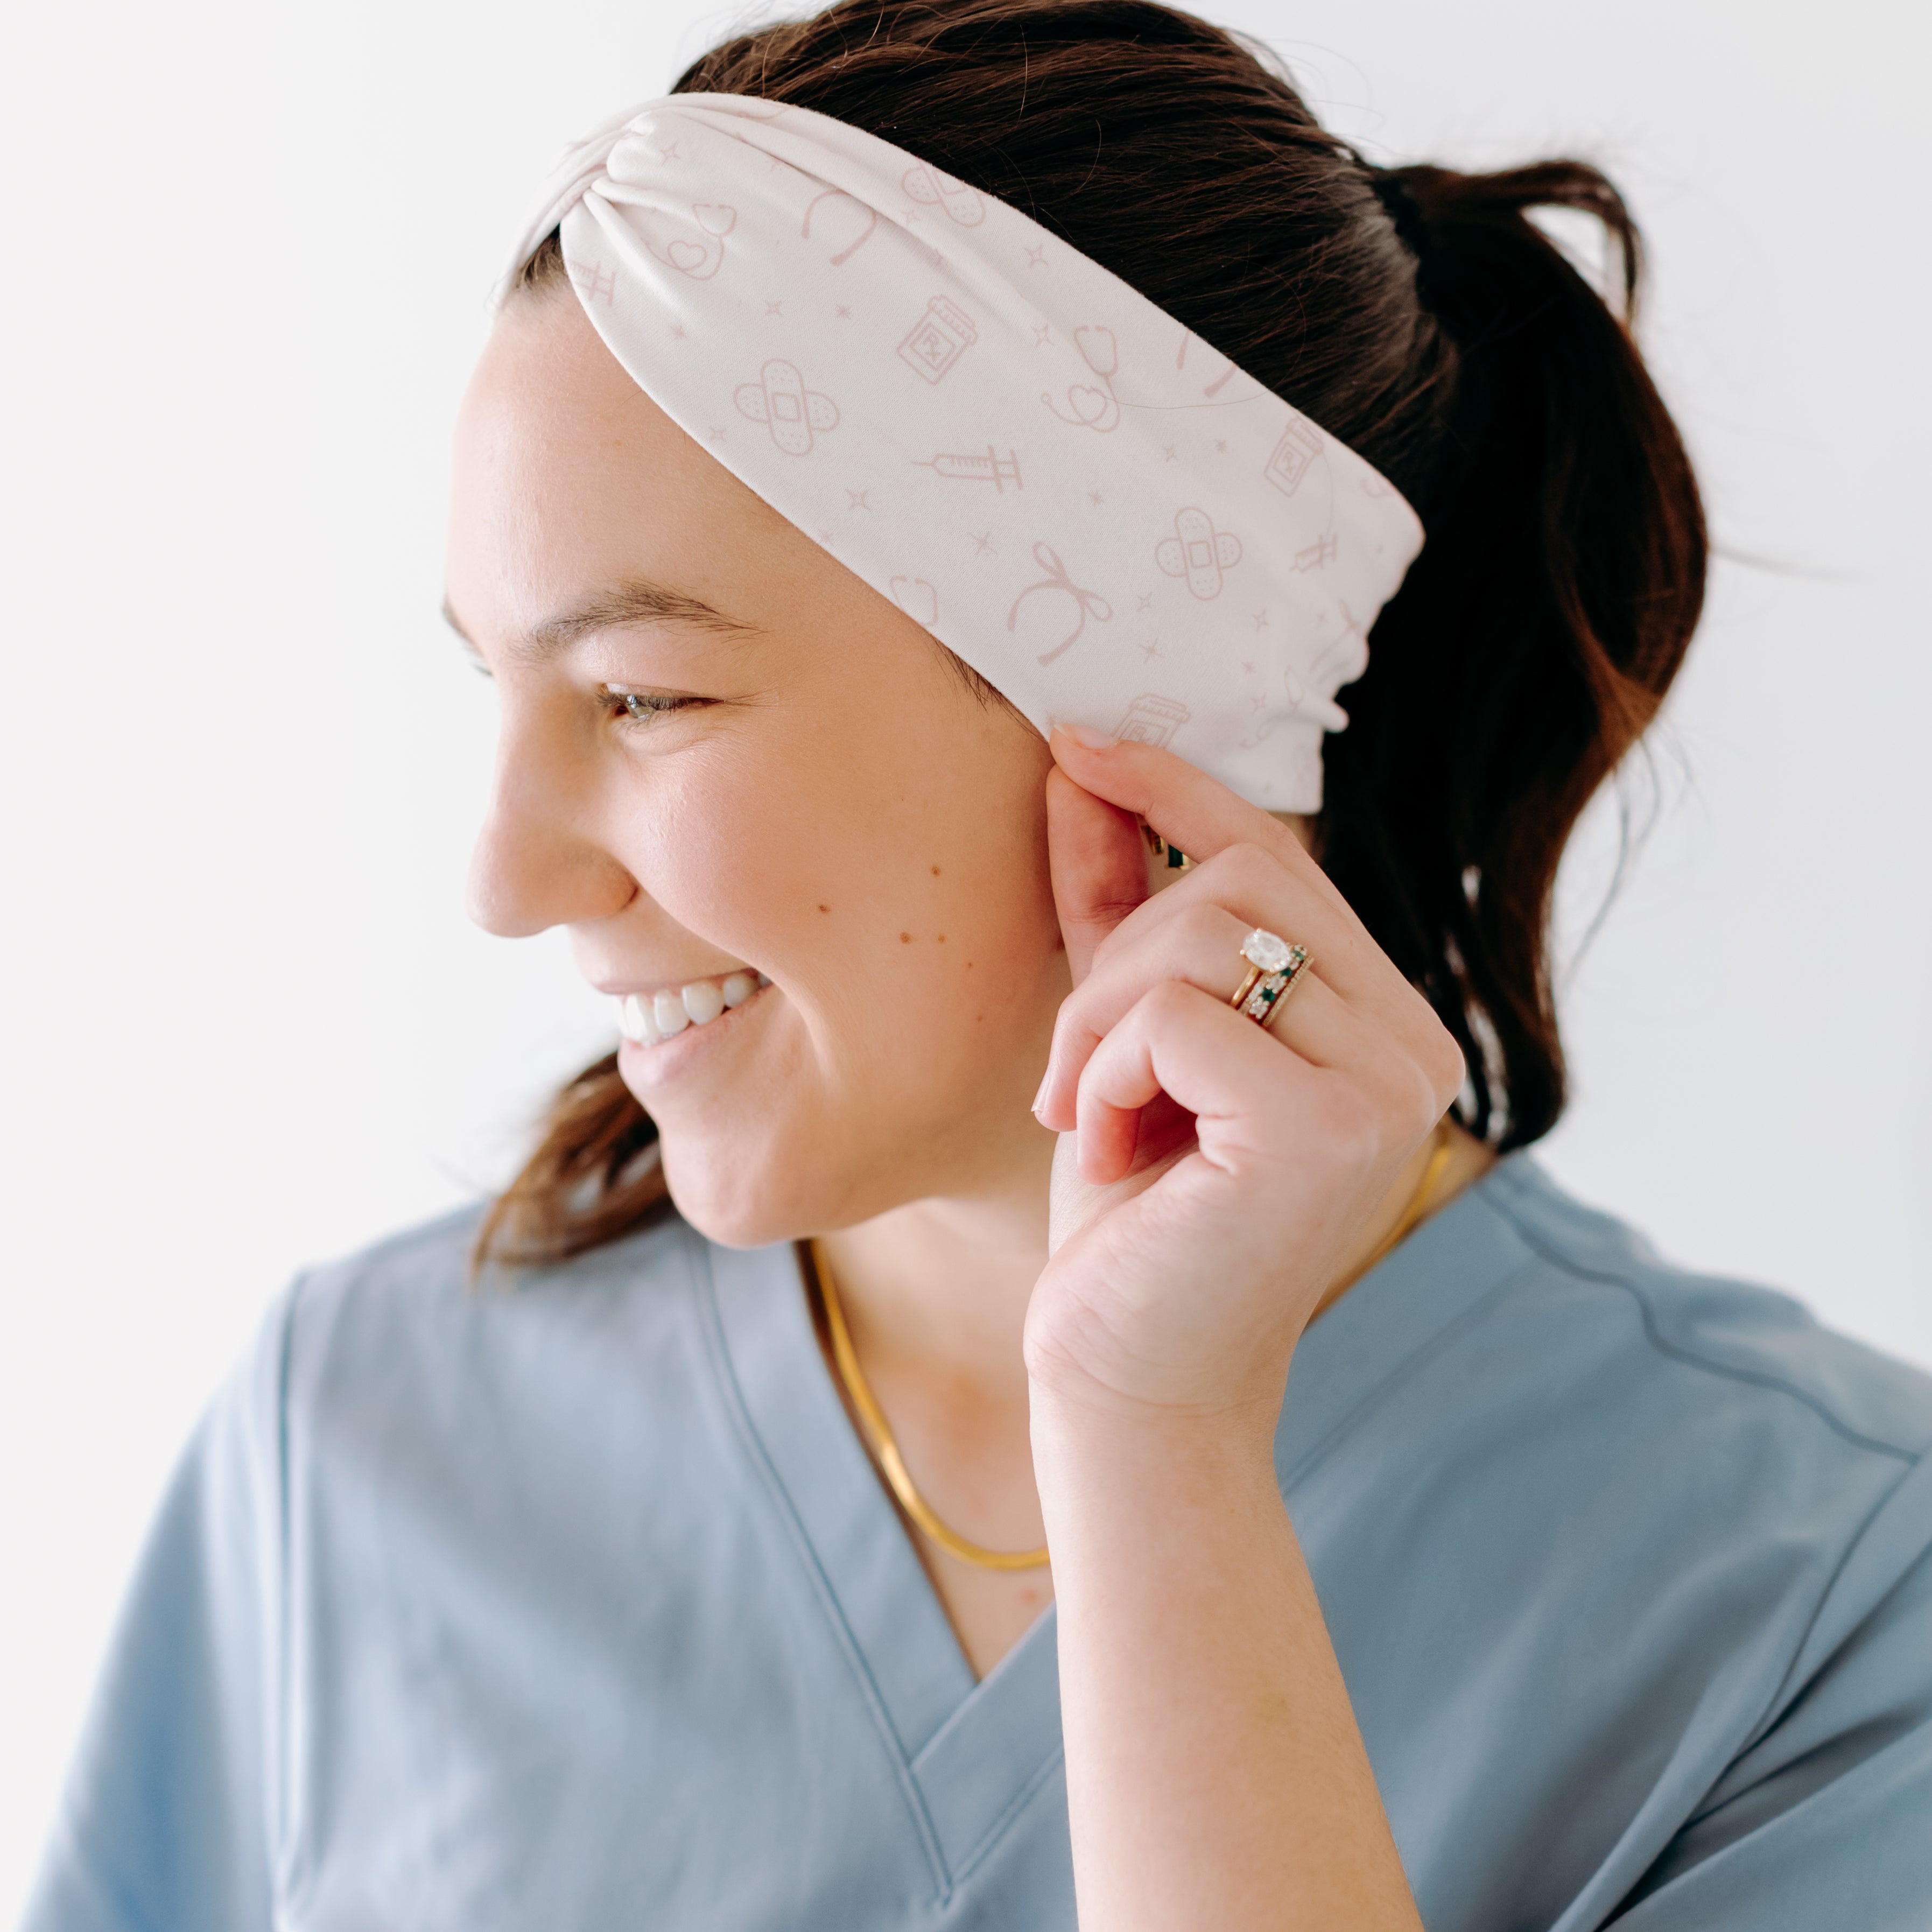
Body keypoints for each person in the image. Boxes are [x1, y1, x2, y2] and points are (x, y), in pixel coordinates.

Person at [23, 3, 1932, 1928]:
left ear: (1146, 702)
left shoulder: (1832, 1602)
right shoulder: (356, 1441)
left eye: (645, 692)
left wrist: (1155, 1441)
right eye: (495, 682)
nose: (505, 880)